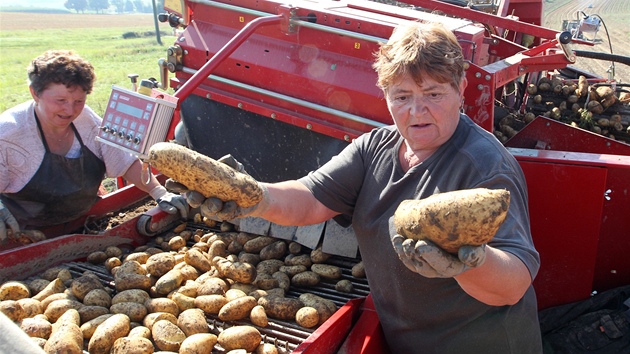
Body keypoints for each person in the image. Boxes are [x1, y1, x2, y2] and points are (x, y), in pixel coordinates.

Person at [182, 21, 542, 352]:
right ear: (384, 93)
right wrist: (253, 196)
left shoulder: (484, 166)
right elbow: (309, 198)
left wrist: (469, 262)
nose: (417, 111)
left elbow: (515, 283)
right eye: (401, 96)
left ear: (461, 88)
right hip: (408, 339)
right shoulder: (375, 148)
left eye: (433, 94)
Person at [0, 50, 188, 244]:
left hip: (86, 223)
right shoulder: (8, 134)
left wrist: (159, 192)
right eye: (61, 101)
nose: (70, 110)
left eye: (79, 101)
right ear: (35, 93)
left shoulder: (85, 120)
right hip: (24, 236)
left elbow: (123, 161)